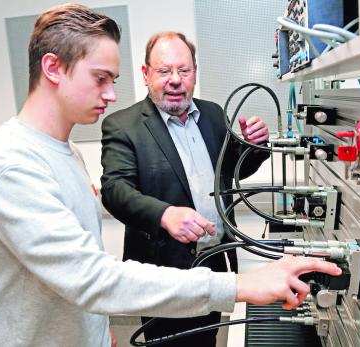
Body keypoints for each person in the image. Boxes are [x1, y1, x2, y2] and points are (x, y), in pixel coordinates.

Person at [0, 4, 341, 347]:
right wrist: (240, 285)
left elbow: (75, 275)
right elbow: (91, 274)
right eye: (100, 78)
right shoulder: (9, 163)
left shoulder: (66, 153)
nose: (111, 93)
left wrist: (97, 330)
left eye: (112, 79)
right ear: (52, 68)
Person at [100, 32, 271, 346]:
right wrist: (165, 215)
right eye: (164, 71)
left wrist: (254, 146)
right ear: (146, 74)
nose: (175, 80)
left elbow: (232, 170)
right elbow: (115, 190)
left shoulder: (214, 114)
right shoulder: (122, 125)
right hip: (162, 270)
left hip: (215, 259)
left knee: (207, 340)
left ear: (195, 72)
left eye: (184, 70)